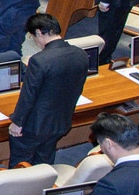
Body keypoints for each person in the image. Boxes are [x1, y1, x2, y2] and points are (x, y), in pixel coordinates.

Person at [8, 13, 88, 168]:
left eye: (32, 37)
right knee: (44, 163)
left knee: (20, 165)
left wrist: (17, 122)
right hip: (61, 122)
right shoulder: (81, 54)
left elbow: (28, 95)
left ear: (38, 32)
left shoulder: (39, 61)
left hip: (34, 126)